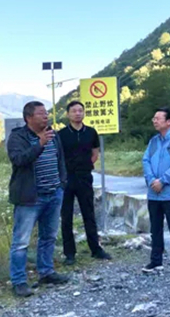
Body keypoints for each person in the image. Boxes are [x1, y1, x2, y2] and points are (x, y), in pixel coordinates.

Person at [7, 101, 69, 297]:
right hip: (30, 198)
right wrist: (40, 144)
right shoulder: (18, 137)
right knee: (21, 242)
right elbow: (19, 160)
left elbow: (60, 160)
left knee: (48, 236)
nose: (46, 116)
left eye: (46, 113)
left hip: (54, 193)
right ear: (29, 118)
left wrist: (62, 183)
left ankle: (46, 272)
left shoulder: (53, 134)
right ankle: (19, 281)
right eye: (41, 113)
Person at [59, 101, 111, 265]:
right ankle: (69, 253)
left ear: (84, 113)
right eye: (74, 111)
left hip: (85, 177)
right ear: (68, 114)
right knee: (66, 216)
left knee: (89, 213)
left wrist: (86, 165)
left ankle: (96, 249)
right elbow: (57, 157)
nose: (77, 113)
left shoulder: (91, 132)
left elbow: (95, 153)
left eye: (80, 110)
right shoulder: (61, 134)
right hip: (66, 179)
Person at [142, 107, 170, 274]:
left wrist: (162, 181)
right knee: (155, 229)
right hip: (153, 193)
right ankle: (156, 261)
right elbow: (146, 160)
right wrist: (151, 180)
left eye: (157, 118)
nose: (154, 121)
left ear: (169, 121)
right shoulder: (153, 141)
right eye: (154, 118)